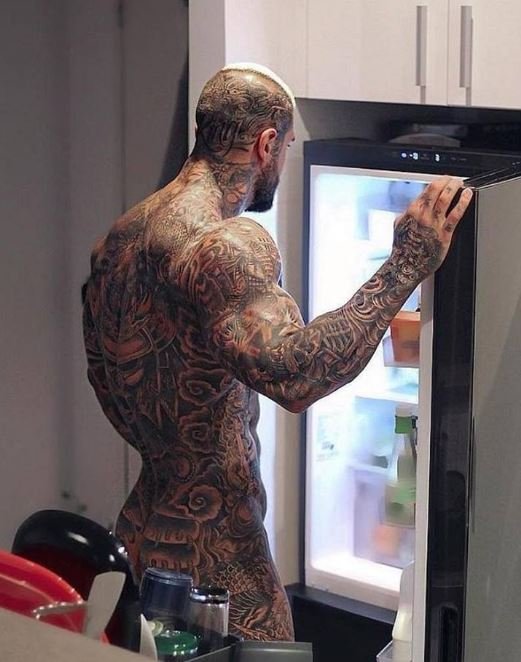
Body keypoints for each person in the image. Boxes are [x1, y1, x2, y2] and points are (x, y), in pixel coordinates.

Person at [82, 63, 473, 642]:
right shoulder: (226, 243)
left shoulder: (121, 237)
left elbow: (105, 374)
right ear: (267, 143)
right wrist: (405, 266)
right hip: (218, 562)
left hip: (141, 536)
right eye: (287, 146)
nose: (284, 161)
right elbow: (296, 376)